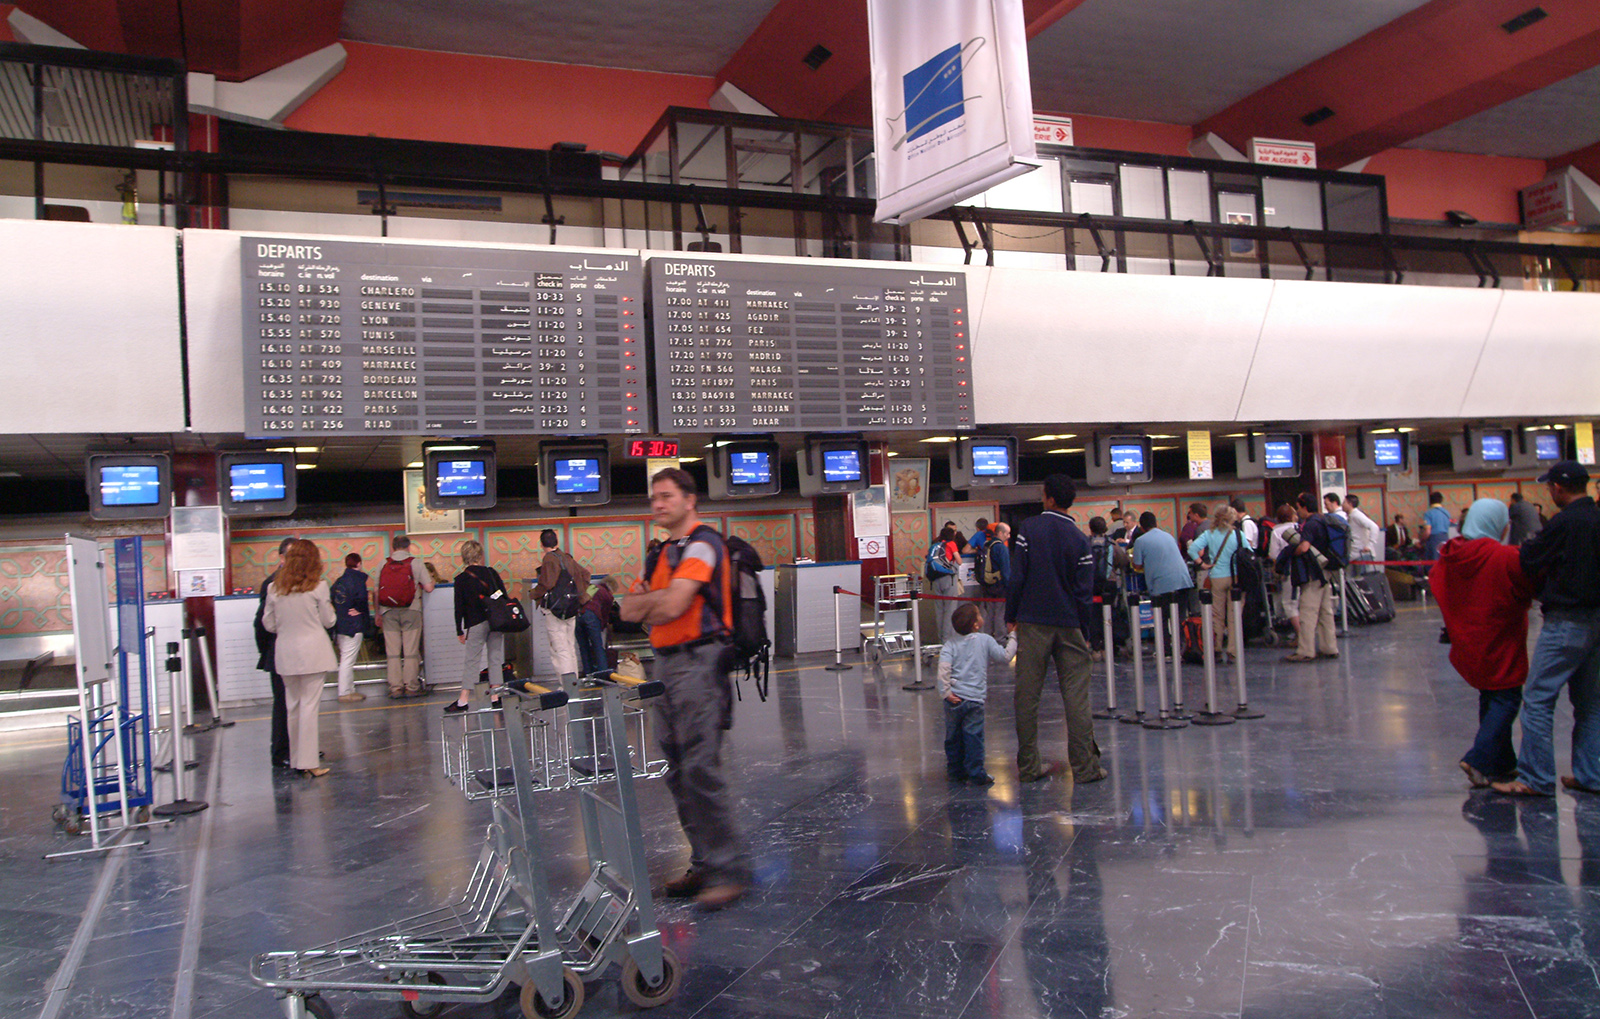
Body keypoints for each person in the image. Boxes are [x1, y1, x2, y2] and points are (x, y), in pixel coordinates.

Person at [618, 468, 749, 908]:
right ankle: (705, 862)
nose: (657, 504)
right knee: (677, 771)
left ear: (690, 500)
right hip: (666, 666)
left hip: (700, 661)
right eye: (653, 497)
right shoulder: (660, 554)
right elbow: (627, 610)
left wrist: (658, 603)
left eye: (666, 496)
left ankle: (729, 871)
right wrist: (660, 603)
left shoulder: (704, 544)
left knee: (701, 768)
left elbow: (670, 604)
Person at [1493, 462, 1600, 798]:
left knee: (1538, 700)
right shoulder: (1597, 517)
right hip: (1597, 620)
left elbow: (1531, 557)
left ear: (1557, 488)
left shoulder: (1565, 521)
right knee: (1591, 703)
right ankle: (1590, 774)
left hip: (1566, 622)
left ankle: (1535, 779)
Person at [1004, 474, 1105, 785]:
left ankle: (1030, 766)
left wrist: (1012, 615)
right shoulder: (1079, 538)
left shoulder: (1029, 530)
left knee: (1027, 695)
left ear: (1047, 497)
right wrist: (1085, 632)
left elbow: (1017, 576)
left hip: (1033, 622)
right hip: (1070, 623)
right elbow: (1084, 592)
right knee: (1076, 696)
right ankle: (1086, 768)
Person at [1431, 499, 1534, 788]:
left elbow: (1438, 582)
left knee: (1490, 696)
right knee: (1507, 697)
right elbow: (1527, 587)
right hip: (1502, 636)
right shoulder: (1506, 556)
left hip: (1468, 637)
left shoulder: (1450, 556)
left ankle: (1502, 761)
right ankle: (1478, 758)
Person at [262, 539, 335, 778]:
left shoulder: (275, 588)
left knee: (291, 706)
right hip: (313, 651)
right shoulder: (319, 587)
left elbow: (268, 624)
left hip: (285, 653)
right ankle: (309, 762)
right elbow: (329, 621)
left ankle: (294, 759)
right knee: (309, 707)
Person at [939, 602, 1016, 787]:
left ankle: (955, 772)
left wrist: (946, 692)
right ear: (976, 624)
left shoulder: (950, 644)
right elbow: (1005, 656)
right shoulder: (985, 640)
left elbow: (943, 669)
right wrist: (1014, 636)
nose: (982, 617)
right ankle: (976, 774)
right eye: (979, 615)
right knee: (973, 737)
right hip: (974, 699)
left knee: (953, 737)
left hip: (953, 700)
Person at [445, 541, 508, 714]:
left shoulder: (461, 579)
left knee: (472, 660)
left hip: (475, 622)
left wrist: (459, 629)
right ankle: (495, 696)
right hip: (495, 621)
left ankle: (463, 699)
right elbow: (504, 596)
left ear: (464, 557)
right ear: (480, 555)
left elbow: (459, 606)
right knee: (495, 657)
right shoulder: (491, 573)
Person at [254, 536, 297, 769]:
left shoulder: (306, 582)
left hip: (296, 653)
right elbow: (262, 624)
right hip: (279, 652)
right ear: (281, 558)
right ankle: (281, 751)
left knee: (300, 703)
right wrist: (267, 652)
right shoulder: (272, 584)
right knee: (282, 704)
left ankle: (301, 748)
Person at [1282, 493, 1339, 662]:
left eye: (1298, 507)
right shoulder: (1323, 520)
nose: (1298, 511)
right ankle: (1329, 647)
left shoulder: (1310, 525)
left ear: (1305, 506)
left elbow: (1305, 547)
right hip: (1325, 571)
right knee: (1325, 612)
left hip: (1313, 573)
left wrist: (1294, 550)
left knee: (1308, 612)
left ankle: (1306, 651)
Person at [377, 534, 435, 698]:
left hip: (388, 611)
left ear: (393, 547)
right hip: (411, 610)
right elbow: (429, 587)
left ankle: (395, 687)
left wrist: (378, 613)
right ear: (408, 546)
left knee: (393, 652)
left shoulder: (383, 563)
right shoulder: (415, 562)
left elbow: (376, 590)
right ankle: (411, 686)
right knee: (410, 651)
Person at [529, 529, 590, 678]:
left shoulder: (549, 559)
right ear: (557, 542)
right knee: (569, 647)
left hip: (555, 610)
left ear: (542, 544)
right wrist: (583, 597)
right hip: (571, 608)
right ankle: (573, 682)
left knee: (559, 649)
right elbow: (586, 574)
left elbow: (547, 583)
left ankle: (567, 687)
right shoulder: (567, 557)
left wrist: (533, 594)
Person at [1188, 505, 1242, 661]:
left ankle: (1216, 649)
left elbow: (1193, 549)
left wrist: (1202, 564)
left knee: (1216, 615)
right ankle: (1233, 651)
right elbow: (1247, 552)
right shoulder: (1238, 534)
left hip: (1217, 576)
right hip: (1235, 577)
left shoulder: (1209, 534)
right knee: (1233, 615)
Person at [329, 552, 371, 703]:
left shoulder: (339, 581)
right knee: (348, 660)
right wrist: (360, 610)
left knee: (345, 658)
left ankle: (349, 689)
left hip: (340, 624)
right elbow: (361, 600)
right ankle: (345, 692)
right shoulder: (358, 580)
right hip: (353, 625)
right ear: (359, 563)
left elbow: (332, 597)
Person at [1130, 511, 1193, 602]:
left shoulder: (1140, 541)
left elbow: (1137, 565)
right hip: (1183, 581)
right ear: (1156, 523)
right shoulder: (1169, 536)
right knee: (1180, 614)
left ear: (1142, 528)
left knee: (1162, 614)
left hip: (1162, 585)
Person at [1267, 504, 1300, 641]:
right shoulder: (1299, 527)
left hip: (1288, 570)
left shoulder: (1276, 531)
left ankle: (1301, 635)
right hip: (1303, 568)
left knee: (1288, 603)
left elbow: (1273, 554)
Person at [577, 576, 619, 677]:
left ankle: (588, 674)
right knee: (597, 646)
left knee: (583, 647)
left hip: (577, 616)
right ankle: (603, 675)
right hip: (591, 616)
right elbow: (605, 614)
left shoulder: (591, 587)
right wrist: (603, 626)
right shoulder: (606, 594)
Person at [929, 523, 963, 644]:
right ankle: (947, 640)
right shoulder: (951, 544)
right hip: (949, 579)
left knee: (939, 610)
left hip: (936, 580)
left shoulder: (936, 545)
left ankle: (940, 638)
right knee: (950, 609)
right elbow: (959, 561)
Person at [976, 521, 1011, 642]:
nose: (1009, 536)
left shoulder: (986, 545)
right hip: (1000, 586)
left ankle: (987, 639)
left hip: (987, 585)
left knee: (989, 614)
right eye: (1007, 533)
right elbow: (1005, 570)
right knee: (1000, 614)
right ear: (1000, 533)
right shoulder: (1001, 548)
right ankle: (1000, 640)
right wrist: (1009, 587)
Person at [1344, 493, 1383, 573]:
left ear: (1350, 504)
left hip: (1361, 554)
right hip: (1356, 554)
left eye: (1344, 502)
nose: (1342, 505)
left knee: (1361, 581)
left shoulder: (1356, 515)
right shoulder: (1351, 516)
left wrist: (1369, 545)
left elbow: (1374, 527)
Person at [1421, 491, 1452, 561]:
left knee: (1433, 562)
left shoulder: (1429, 513)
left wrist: (1421, 541)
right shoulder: (1446, 513)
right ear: (1441, 500)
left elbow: (1428, 532)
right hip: (1445, 538)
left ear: (1430, 501)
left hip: (1434, 540)